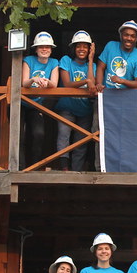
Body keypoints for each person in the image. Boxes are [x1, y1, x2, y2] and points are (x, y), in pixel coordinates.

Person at [93, 20, 137, 170]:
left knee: (124, 135)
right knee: (98, 133)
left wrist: (122, 81)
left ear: (136, 38)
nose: (129, 38)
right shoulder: (111, 46)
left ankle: (122, 168)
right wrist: (99, 84)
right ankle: (100, 168)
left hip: (125, 102)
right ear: (121, 35)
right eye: (126, 35)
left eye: (132, 36)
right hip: (105, 99)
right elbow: (101, 66)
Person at [55, 30, 96, 171]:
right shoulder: (66, 60)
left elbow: (93, 86)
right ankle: (64, 168)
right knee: (63, 135)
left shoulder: (93, 66)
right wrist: (86, 81)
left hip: (85, 110)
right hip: (67, 107)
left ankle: (76, 171)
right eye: (79, 46)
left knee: (81, 142)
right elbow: (67, 83)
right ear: (74, 48)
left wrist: (90, 61)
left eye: (85, 46)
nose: (82, 49)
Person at [21, 31, 60, 168]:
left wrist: (46, 82)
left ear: (51, 49)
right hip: (22, 104)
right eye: (41, 46)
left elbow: (54, 84)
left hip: (37, 106)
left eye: (48, 47)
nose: (44, 49)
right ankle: (19, 166)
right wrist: (33, 79)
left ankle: (34, 166)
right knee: (20, 135)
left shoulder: (54, 62)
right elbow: (24, 83)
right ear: (36, 49)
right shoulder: (28, 60)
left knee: (38, 134)